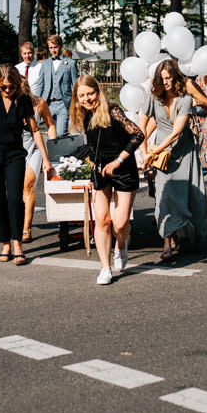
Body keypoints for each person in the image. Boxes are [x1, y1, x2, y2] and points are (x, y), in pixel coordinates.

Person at [0, 64, 52, 266]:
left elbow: (35, 130)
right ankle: (5, 243)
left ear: (16, 85)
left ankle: (17, 243)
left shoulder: (22, 99)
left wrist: (46, 160)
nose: (7, 90)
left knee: (15, 198)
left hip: (14, 155)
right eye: (3, 87)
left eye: (11, 87)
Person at [72, 75, 144, 285]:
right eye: (82, 96)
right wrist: (92, 162)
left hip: (123, 168)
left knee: (120, 224)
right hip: (100, 169)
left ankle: (120, 245)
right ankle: (105, 267)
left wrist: (119, 160)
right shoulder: (84, 115)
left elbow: (138, 135)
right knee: (102, 219)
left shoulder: (112, 110)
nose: (87, 99)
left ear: (98, 92)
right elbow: (93, 144)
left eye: (90, 94)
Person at [138, 59, 207, 260]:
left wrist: (151, 153)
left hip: (184, 150)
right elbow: (141, 126)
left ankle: (193, 238)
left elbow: (177, 133)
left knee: (193, 195)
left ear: (175, 78)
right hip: (163, 155)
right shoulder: (153, 97)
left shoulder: (185, 99)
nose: (166, 82)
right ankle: (167, 242)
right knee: (165, 194)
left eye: (169, 78)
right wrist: (145, 151)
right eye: (162, 79)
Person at [21, 83, 56, 243]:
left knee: (28, 186)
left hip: (33, 149)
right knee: (15, 191)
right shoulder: (8, 104)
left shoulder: (39, 103)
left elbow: (50, 125)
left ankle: (26, 228)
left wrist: (52, 151)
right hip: (14, 150)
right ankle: (17, 221)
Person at [37, 34, 78, 136]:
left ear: (61, 46)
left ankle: (62, 152)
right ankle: (54, 153)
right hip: (48, 104)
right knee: (52, 134)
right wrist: (37, 103)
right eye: (51, 48)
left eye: (55, 47)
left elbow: (76, 85)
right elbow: (40, 85)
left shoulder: (71, 63)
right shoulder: (45, 64)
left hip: (63, 104)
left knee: (60, 134)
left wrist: (76, 104)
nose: (53, 50)